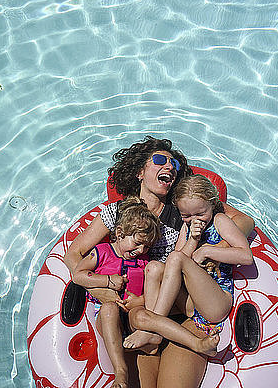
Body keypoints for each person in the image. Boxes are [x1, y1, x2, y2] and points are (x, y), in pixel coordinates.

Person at [63, 136, 255, 388]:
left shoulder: (184, 211)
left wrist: (213, 249)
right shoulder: (118, 213)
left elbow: (244, 221)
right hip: (132, 315)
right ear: (140, 171)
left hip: (180, 312)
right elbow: (73, 255)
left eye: (173, 164)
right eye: (159, 160)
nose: (169, 166)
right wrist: (102, 289)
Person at [72, 197, 219, 388]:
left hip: (132, 315)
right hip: (109, 316)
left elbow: (151, 294)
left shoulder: (143, 262)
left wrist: (138, 301)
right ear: (119, 233)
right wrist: (107, 281)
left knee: (142, 316)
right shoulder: (101, 252)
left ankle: (197, 344)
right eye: (138, 243)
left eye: (147, 247)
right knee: (109, 310)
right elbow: (78, 275)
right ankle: (121, 371)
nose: (141, 250)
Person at [122, 174, 253, 352]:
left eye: (200, 213)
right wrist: (193, 239)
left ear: (212, 204)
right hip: (191, 304)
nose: (194, 220)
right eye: (186, 215)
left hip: (216, 303)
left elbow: (246, 256)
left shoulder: (219, 220)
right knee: (153, 267)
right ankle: (155, 332)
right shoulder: (187, 228)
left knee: (175, 258)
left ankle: (152, 328)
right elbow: (175, 264)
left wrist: (206, 250)